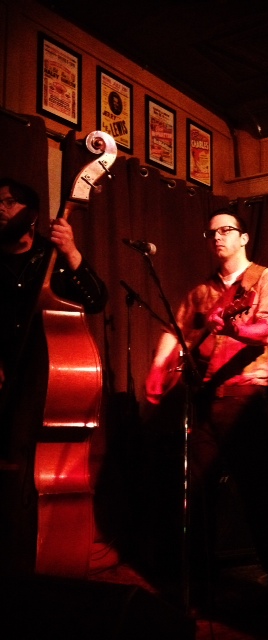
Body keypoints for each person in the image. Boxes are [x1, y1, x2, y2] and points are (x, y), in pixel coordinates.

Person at [144, 208, 268, 615]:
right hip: (206, 400)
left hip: (246, 399)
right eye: (211, 232)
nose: (217, 237)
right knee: (197, 497)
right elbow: (175, 331)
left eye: (226, 230)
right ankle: (201, 588)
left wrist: (234, 328)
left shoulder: (266, 278)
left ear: (243, 238)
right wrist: (158, 366)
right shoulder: (201, 291)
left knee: (259, 497)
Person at [0, 177, 108, 574]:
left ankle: (45, 559)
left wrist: (73, 253)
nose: (0, 209)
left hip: (48, 382)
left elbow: (96, 300)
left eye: (9, 202)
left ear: (31, 214)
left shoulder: (52, 256)